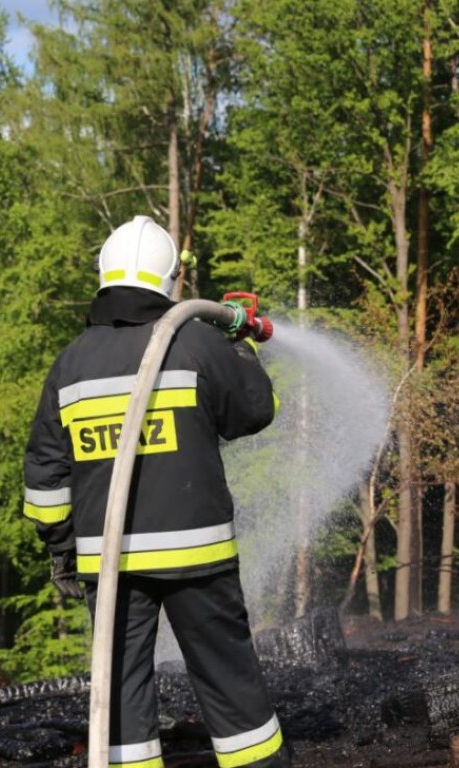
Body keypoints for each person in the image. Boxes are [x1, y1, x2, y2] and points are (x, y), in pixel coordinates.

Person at [23, 215, 290, 767]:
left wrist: (62, 551)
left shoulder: (70, 363)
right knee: (229, 681)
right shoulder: (196, 342)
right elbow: (256, 411)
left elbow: (45, 479)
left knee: (119, 694)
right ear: (170, 282)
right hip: (198, 557)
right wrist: (240, 347)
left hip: (110, 563)